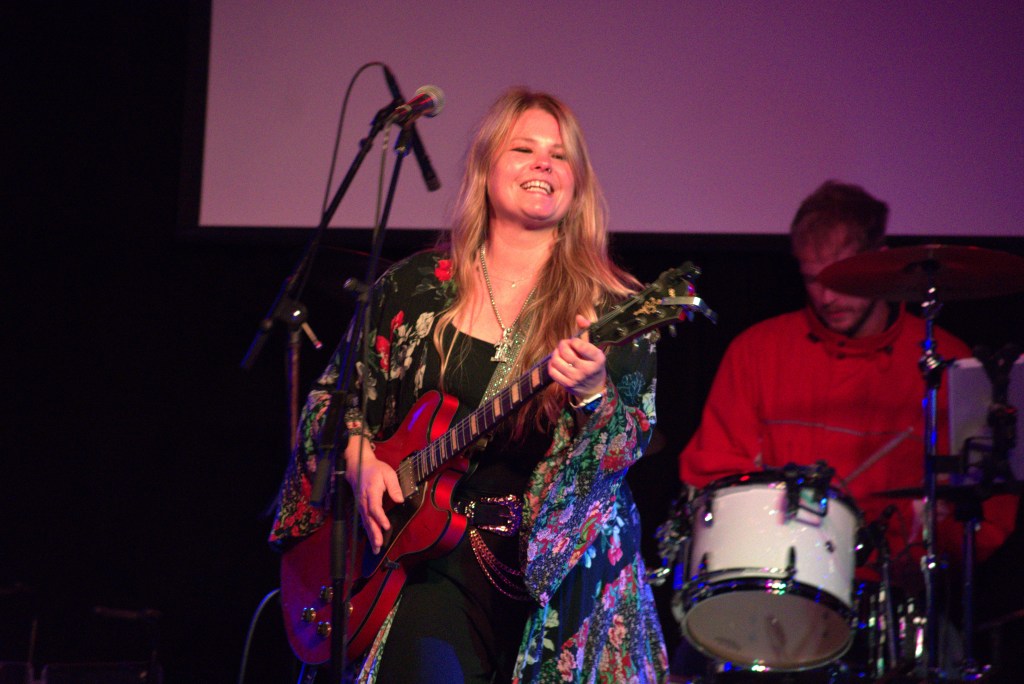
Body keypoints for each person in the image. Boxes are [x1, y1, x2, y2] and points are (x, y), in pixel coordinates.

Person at [270, 88, 669, 683]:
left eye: (559, 156)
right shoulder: (415, 287)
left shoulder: (613, 308)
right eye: (524, 148)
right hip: (418, 558)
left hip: (555, 577)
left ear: (577, 183)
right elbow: (334, 401)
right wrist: (358, 460)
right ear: (485, 170)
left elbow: (625, 443)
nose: (543, 163)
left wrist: (592, 393)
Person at [674, 181, 1018, 677]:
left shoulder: (947, 362)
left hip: (894, 599)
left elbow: (990, 508)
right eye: (812, 279)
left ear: (880, 261)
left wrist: (935, 539)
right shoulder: (758, 351)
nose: (828, 296)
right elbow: (712, 477)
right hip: (777, 600)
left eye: (840, 278)